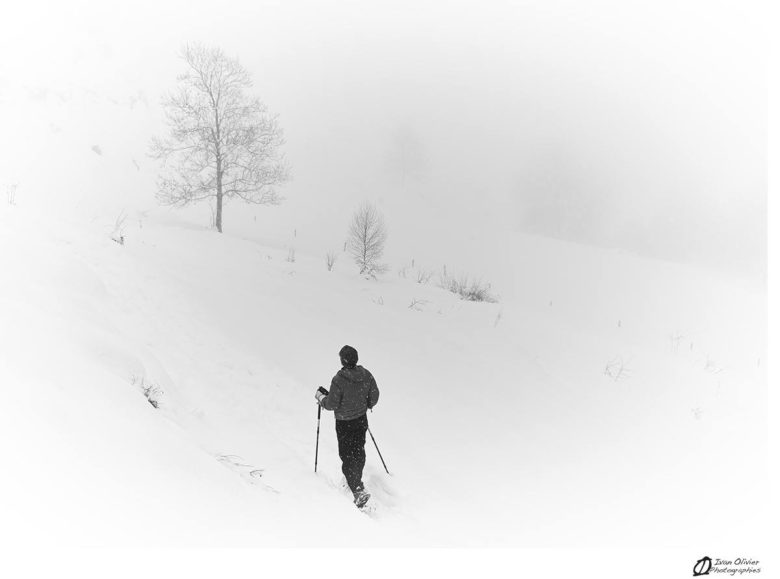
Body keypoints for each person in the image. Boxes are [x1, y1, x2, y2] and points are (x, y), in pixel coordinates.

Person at [315, 345, 380, 508]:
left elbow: (331, 404)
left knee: (347, 453)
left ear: (343, 360)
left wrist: (321, 398)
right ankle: (356, 478)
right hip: (360, 419)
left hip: (344, 422)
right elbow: (374, 396)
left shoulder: (339, 380)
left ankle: (357, 489)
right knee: (359, 449)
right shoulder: (366, 375)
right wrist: (365, 405)